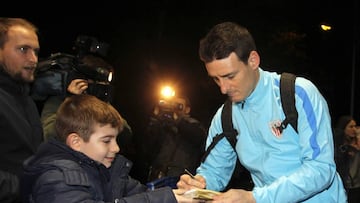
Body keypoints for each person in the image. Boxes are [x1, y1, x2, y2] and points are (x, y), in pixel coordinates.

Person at [176, 21, 347, 202]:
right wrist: (199, 185)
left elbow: (321, 169)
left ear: (253, 60)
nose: (223, 88)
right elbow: (213, 171)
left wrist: (256, 198)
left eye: (230, 76)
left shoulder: (297, 94)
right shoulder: (224, 117)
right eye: (216, 79)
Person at [20, 94, 194, 203]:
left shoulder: (108, 171)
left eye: (116, 139)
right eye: (106, 140)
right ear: (76, 141)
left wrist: (185, 193)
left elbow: (145, 193)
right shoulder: (55, 179)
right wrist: (166, 198)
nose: (116, 148)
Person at [0, 18, 43, 203]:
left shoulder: (27, 101)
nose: (33, 59)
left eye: (36, 51)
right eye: (23, 49)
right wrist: (30, 187)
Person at [141, 96, 207, 188]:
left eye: (179, 105)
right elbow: (148, 146)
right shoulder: (164, 124)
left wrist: (177, 121)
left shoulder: (194, 124)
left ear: (187, 109)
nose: (174, 107)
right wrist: (156, 120)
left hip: (180, 178)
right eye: (172, 104)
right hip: (158, 175)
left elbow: (198, 137)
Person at [333, 115, 360, 202]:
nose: (354, 129)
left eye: (355, 126)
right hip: (343, 184)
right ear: (344, 128)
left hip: (356, 185)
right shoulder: (339, 144)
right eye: (351, 126)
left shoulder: (357, 142)